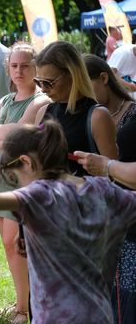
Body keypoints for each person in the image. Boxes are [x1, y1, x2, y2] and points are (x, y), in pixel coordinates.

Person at [0, 120, 136, 323]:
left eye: (14, 177)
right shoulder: (101, 189)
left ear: (27, 162)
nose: (17, 184)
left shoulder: (41, 194)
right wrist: (111, 169)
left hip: (56, 317)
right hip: (99, 313)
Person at [0, 42, 50, 324]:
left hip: (24, 182)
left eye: (25, 65)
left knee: (18, 243)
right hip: (3, 180)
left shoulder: (41, 100)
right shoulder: (6, 100)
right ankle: (22, 303)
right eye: (14, 66)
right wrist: (0, 132)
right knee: (9, 245)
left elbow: (19, 135)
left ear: (36, 68)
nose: (19, 71)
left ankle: (27, 308)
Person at [83, 54, 136, 323]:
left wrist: (106, 166)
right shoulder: (88, 113)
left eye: (86, 84)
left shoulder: (133, 113)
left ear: (103, 78)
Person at [34, 41, 118, 176]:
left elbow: (115, 175)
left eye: (48, 83)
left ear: (72, 75)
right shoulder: (42, 111)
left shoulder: (98, 116)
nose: (43, 89)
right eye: (38, 82)